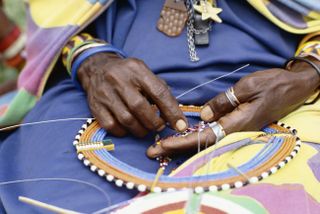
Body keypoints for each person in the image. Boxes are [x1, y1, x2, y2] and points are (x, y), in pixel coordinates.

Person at [0, 0, 319, 213]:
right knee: (50, 196)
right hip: (101, 92)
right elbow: (52, 16)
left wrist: (309, 71)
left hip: (291, 99)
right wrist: (88, 58)